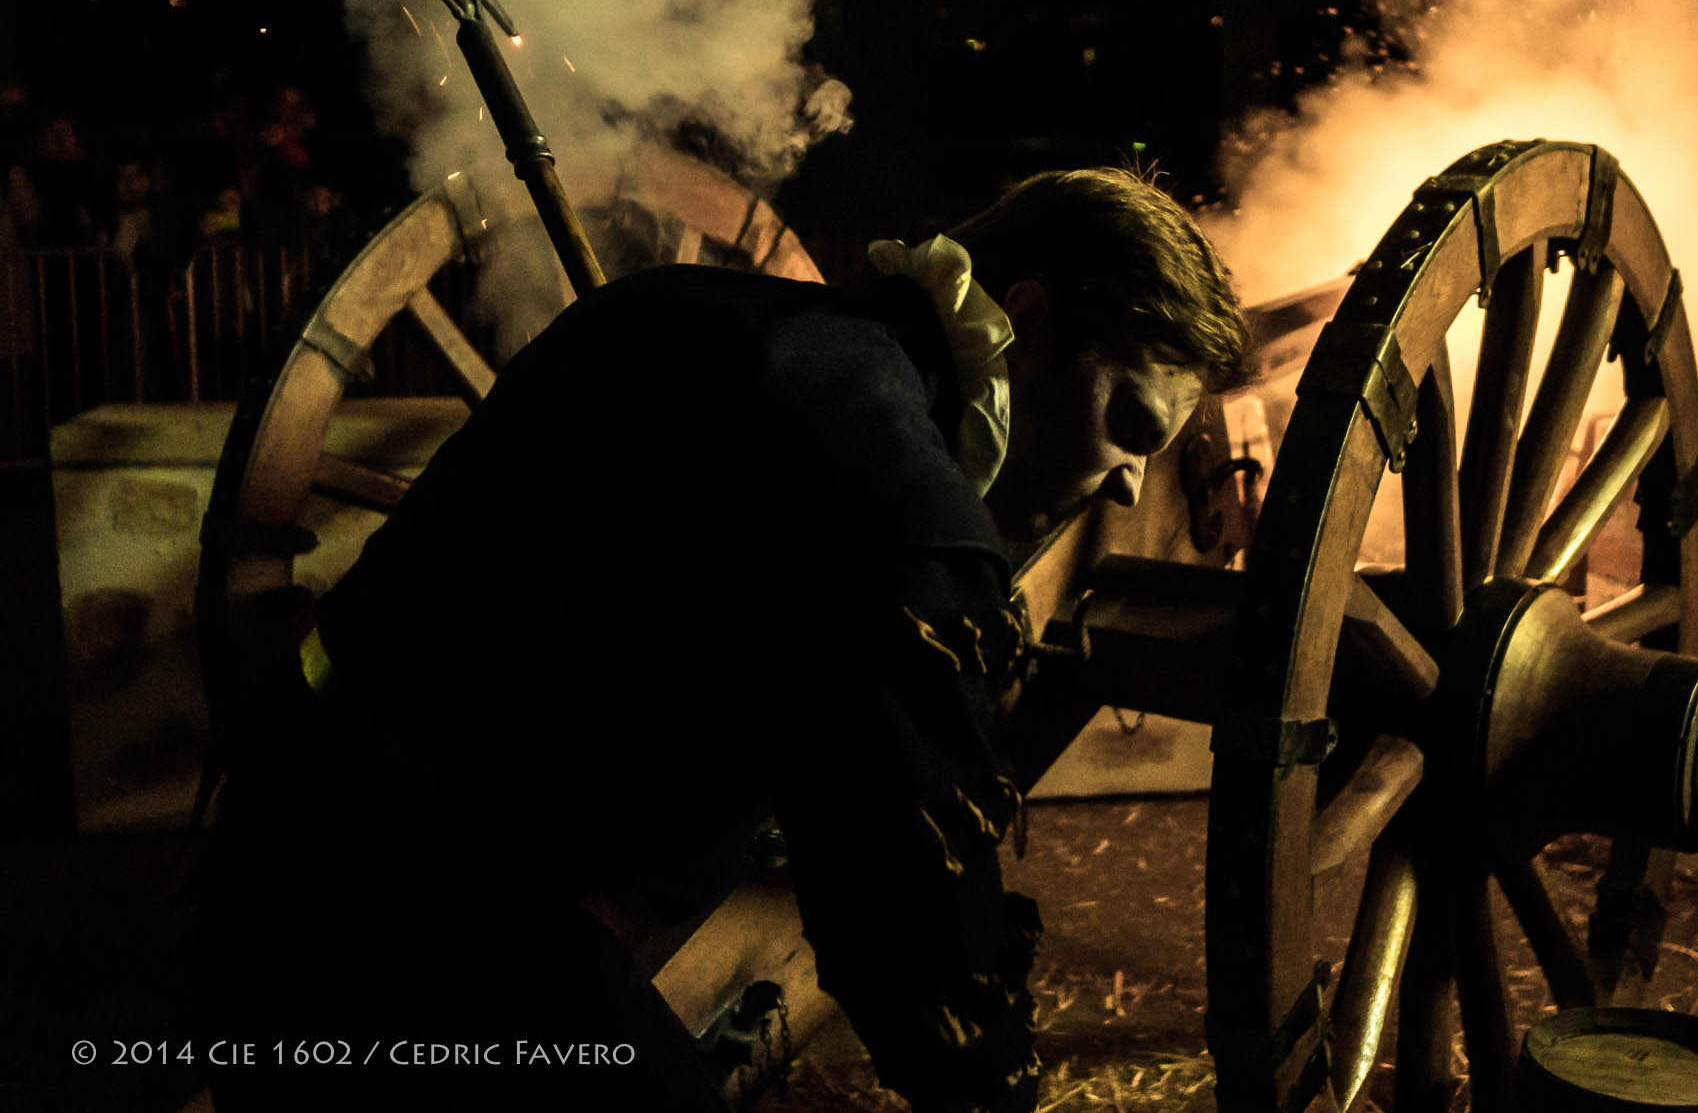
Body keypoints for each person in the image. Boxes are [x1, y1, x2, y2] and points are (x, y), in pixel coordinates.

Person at [199, 165, 1250, 1111]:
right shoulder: (909, 510)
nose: (1129, 483)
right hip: (444, 951)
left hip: (267, 849)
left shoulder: (669, 305)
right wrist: (993, 1085)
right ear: (1027, 318)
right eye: (1130, 424)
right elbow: (909, 925)